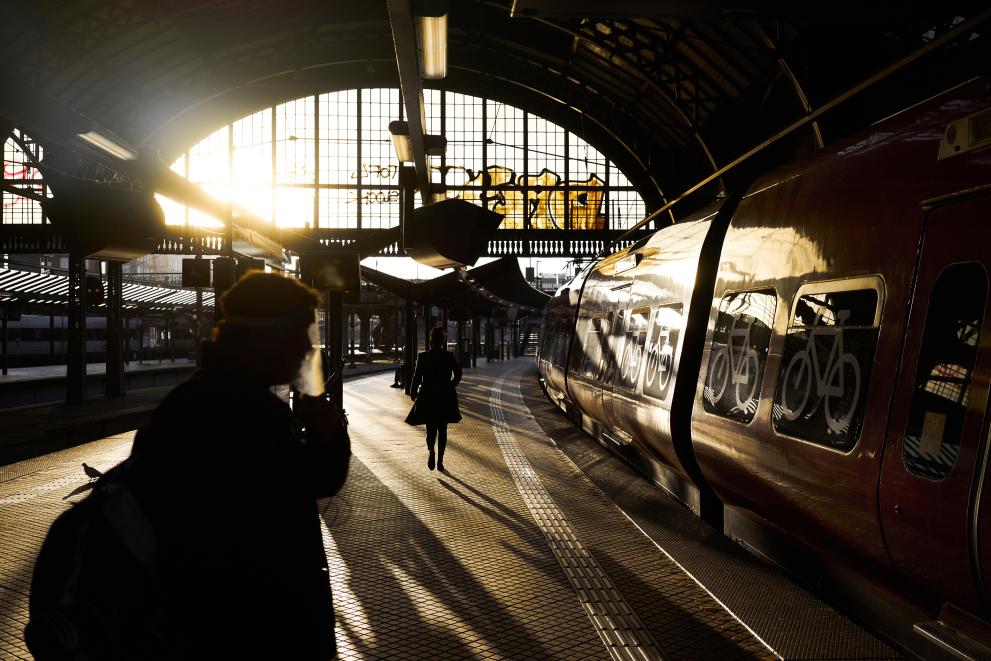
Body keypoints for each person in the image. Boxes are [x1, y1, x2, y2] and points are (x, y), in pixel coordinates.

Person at [129, 272, 350, 658]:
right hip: (248, 629)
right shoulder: (240, 413)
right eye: (301, 334)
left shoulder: (202, 400)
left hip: (228, 623)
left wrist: (320, 420)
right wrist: (323, 426)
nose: (308, 348)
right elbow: (312, 483)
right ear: (268, 338)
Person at [405, 326, 462, 471]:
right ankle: (440, 461)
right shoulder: (449, 356)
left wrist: (413, 392)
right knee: (442, 429)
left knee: (430, 428)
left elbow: (417, 376)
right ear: (443, 341)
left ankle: (431, 451)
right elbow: (458, 374)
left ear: (431, 341)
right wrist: (451, 385)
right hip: (444, 396)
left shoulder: (423, 357)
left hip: (428, 396)